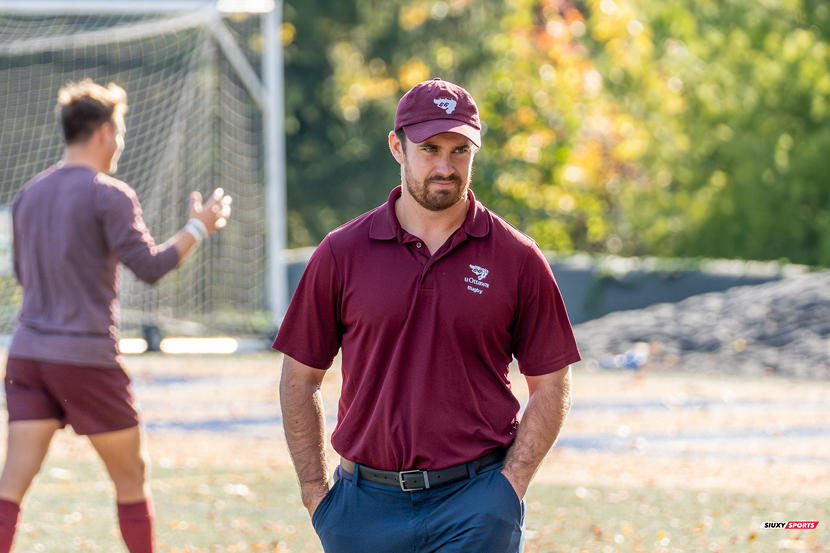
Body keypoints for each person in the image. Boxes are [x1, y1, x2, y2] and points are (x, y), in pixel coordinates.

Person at [276, 77, 580, 553]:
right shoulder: (341, 252)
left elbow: (551, 384)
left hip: (474, 507)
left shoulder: (518, 257)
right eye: (430, 148)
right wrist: (316, 494)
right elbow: (299, 379)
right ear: (397, 147)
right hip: (362, 510)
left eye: (460, 150)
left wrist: (509, 487)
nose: (446, 165)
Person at [0, 79, 232, 553]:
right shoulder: (110, 193)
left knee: (10, 487)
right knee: (132, 478)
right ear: (105, 132)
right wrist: (198, 226)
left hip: (27, 357)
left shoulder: (28, 196)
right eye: (120, 132)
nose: (121, 144)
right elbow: (150, 267)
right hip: (84, 359)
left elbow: (24, 275)